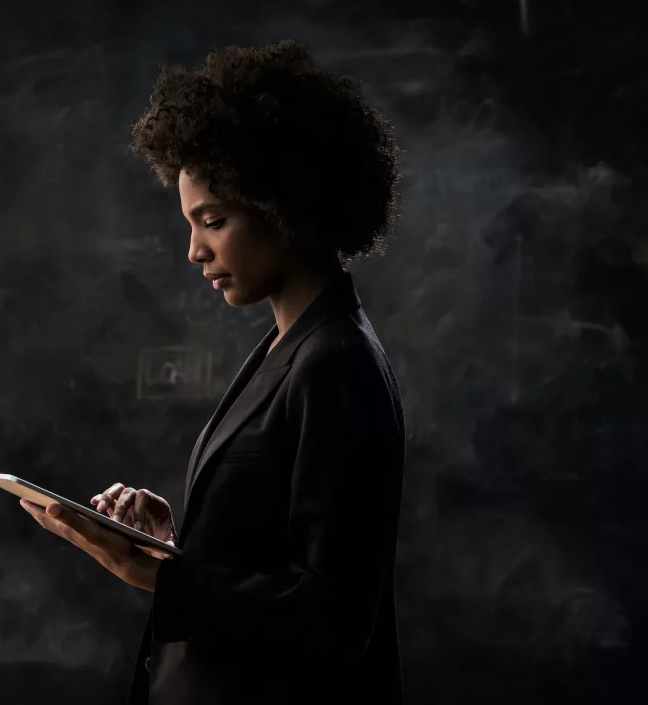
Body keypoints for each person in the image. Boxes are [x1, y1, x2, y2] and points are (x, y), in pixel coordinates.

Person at [20, 39, 406, 704]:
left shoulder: (334, 363)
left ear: (287, 204)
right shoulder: (289, 345)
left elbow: (336, 616)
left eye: (214, 221)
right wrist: (174, 544)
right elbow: (269, 561)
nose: (195, 251)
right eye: (191, 223)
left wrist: (156, 577)